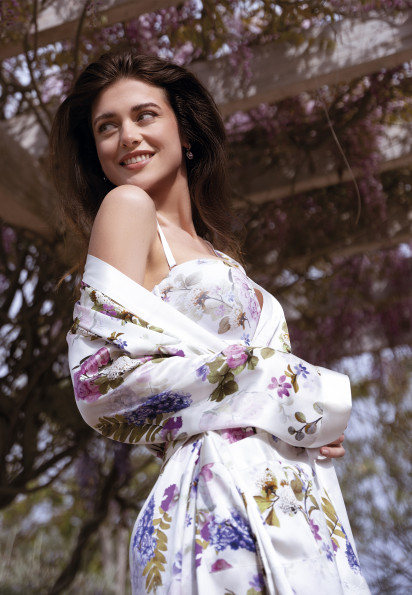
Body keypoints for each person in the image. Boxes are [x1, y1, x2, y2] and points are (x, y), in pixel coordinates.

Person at [50, 49, 370, 594]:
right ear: (97, 152)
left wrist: (304, 423)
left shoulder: (220, 256)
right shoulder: (128, 208)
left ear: (186, 132)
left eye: (145, 115)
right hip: (216, 504)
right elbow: (99, 381)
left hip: (298, 504)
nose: (128, 136)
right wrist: (292, 389)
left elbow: (266, 396)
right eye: (107, 126)